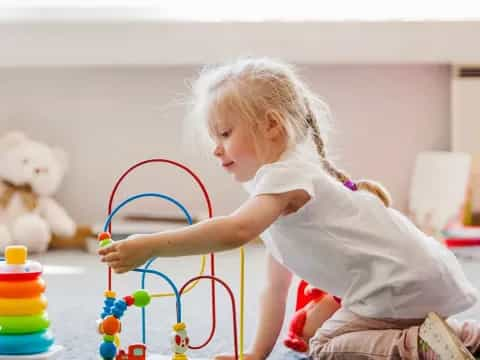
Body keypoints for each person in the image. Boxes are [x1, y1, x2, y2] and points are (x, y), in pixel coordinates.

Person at [99, 58, 480, 359]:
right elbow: (274, 292)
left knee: (327, 345)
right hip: (411, 280)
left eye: (225, 134)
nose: (216, 149)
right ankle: (463, 338)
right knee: (318, 330)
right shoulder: (285, 189)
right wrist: (256, 354)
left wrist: (151, 245)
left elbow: (234, 231)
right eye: (214, 138)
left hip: (398, 286)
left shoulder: (287, 175)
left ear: (271, 125)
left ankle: (417, 348)